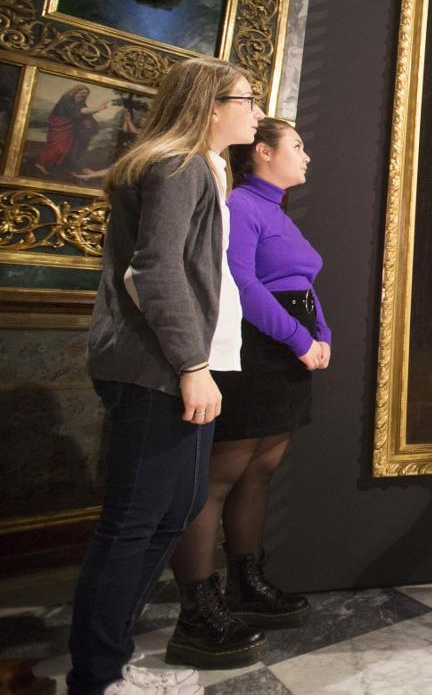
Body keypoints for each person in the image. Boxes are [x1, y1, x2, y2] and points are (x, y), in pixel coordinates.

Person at [69, 57, 262, 695]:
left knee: (175, 506)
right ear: (210, 107)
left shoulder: (200, 166)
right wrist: (192, 365)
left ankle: (108, 656)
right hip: (157, 366)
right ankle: (94, 675)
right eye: (247, 99)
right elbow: (155, 272)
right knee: (133, 520)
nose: (257, 113)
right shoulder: (177, 165)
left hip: (173, 365)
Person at [163, 118, 329, 668]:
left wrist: (319, 335)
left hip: (287, 353)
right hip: (255, 351)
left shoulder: (275, 209)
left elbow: (301, 282)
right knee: (218, 477)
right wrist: (299, 339)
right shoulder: (239, 205)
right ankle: (197, 608)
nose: (307, 156)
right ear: (263, 151)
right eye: (298, 147)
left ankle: (246, 586)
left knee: (261, 469)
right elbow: (240, 284)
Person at [34, 86, 109, 178]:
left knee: (69, 148)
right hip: (59, 126)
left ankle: (60, 166)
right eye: (82, 93)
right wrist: (99, 108)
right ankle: (40, 163)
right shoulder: (67, 99)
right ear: (75, 91)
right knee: (58, 148)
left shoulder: (80, 102)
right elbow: (81, 112)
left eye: (86, 94)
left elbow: (86, 113)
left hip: (70, 128)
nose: (84, 95)